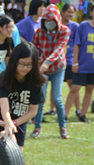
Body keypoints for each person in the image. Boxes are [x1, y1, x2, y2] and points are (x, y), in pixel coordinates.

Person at [0, 42, 45, 165]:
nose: (25, 68)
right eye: (22, 64)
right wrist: (7, 123)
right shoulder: (6, 77)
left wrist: (14, 122)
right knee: (12, 144)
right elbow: (4, 105)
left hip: (20, 116)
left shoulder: (36, 81)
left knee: (18, 151)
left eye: (29, 64)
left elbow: (33, 111)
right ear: (14, 61)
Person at [64, 3, 94, 124]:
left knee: (90, 89)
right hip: (82, 63)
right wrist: (75, 63)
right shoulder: (83, 26)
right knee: (75, 88)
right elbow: (76, 44)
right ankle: (64, 114)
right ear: (91, 13)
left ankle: (83, 115)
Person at [30, 4, 70, 139]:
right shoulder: (39, 32)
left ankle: (62, 127)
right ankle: (37, 127)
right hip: (43, 70)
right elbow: (33, 47)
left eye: (52, 21)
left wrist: (47, 62)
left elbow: (60, 49)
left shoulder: (65, 31)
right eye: (46, 20)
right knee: (40, 98)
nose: (49, 23)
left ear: (57, 20)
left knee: (57, 98)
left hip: (58, 68)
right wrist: (37, 58)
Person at [60, 4, 80, 117]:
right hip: (57, 60)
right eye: (68, 12)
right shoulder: (56, 24)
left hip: (70, 60)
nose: (70, 15)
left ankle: (78, 109)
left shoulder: (75, 26)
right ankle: (52, 109)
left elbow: (78, 43)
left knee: (72, 84)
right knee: (55, 84)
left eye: (72, 12)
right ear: (62, 12)